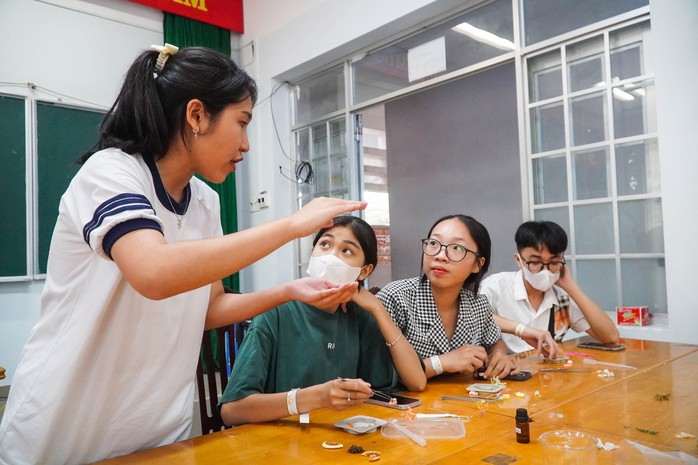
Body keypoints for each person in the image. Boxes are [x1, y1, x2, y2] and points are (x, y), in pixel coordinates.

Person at [0, 44, 366, 465]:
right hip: (65, 428)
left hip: (155, 428)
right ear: (196, 115)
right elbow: (154, 273)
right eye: (241, 123)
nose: (246, 145)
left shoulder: (205, 203)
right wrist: (289, 226)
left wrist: (289, 290)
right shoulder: (112, 172)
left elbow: (207, 309)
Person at [219, 215, 427, 426]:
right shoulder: (275, 313)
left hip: (340, 442)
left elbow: (416, 381)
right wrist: (317, 397)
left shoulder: (361, 317)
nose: (330, 257)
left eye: (346, 251)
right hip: (281, 443)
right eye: (325, 244)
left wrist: (377, 308)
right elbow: (232, 410)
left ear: (364, 271)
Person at [377, 214, 518, 380]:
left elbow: (494, 341)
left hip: (463, 401)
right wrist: (440, 363)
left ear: (477, 264)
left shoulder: (477, 303)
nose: (440, 255)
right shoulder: (396, 297)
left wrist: (499, 355)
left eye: (456, 248)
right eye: (434, 243)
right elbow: (377, 372)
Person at [480, 220, 619, 355]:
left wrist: (571, 287)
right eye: (535, 262)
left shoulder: (562, 297)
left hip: (547, 374)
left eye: (553, 262)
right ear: (519, 260)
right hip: (507, 370)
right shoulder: (496, 286)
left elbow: (611, 336)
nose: (545, 271)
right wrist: (521, 330)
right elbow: (474, 316)